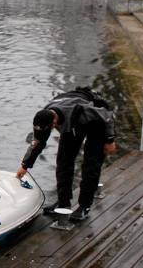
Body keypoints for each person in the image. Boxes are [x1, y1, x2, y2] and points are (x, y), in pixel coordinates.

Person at [16, 87, 116, 222]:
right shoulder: (45, 116)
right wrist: (25, 165)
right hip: (72, 124)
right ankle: (63, 203)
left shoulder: (81, 110)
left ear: (54, 123)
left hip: (96, 122)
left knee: (90, 165)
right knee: (63, 162)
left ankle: (84, 207)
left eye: (51, 128)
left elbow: (107, 116)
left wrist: (110, 140)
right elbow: (37, 142)